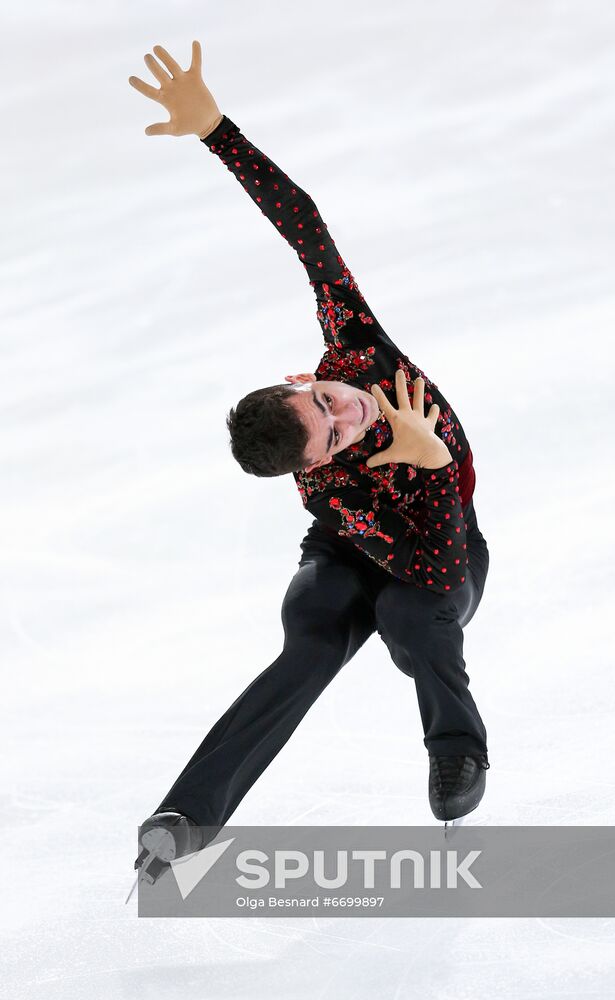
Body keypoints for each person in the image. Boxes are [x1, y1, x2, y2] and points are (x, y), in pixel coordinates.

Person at [128, 41, 491, 883]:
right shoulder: (337, 492)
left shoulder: (356, 351)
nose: (346, 411)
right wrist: (424, 460)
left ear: (305, 375)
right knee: (313, 635)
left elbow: (305, 226)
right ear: (318, 462)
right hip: (365, 545)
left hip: (448, 551)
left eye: (323, 398)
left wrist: (217, 131)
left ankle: (457, 754)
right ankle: (188, 816)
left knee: (411, 620)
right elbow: (397, 554)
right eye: (329, 430)